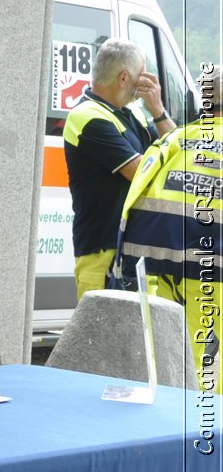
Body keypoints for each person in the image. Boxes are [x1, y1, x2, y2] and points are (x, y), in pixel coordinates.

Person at [115, 64, 219, 389]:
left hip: (163, 263)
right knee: (210, 362)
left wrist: (127, 262)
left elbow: (141, 185)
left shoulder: (178, 137)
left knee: (179, 354)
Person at [64, 38, 173, 299]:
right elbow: (139, 174)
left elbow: (177, 154)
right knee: (101, 340)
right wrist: (163, 160)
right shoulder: (87, 116)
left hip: (135, 252)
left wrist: (157, 110)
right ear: (124, 78)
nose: (146, 79)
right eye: (142, 72)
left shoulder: (132, 112)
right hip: (103, 256)